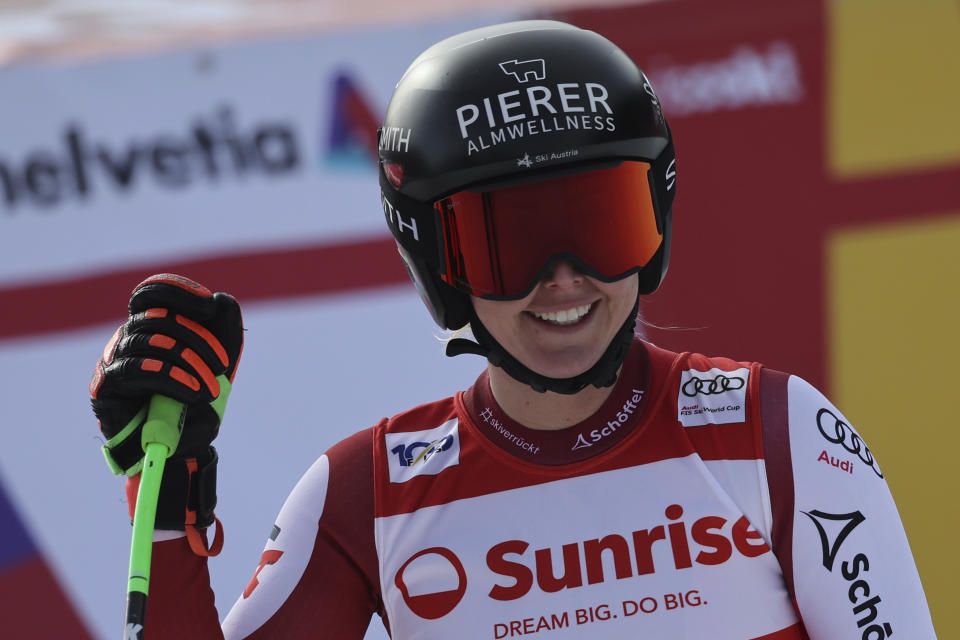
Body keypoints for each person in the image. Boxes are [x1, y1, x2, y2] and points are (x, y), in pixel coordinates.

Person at [91, 20, 937, 640]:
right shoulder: (366, 496)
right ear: (437, 262)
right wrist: (163, 508)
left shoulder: (779, 434)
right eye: (509, 245)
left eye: (599, 227)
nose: (563, 280)